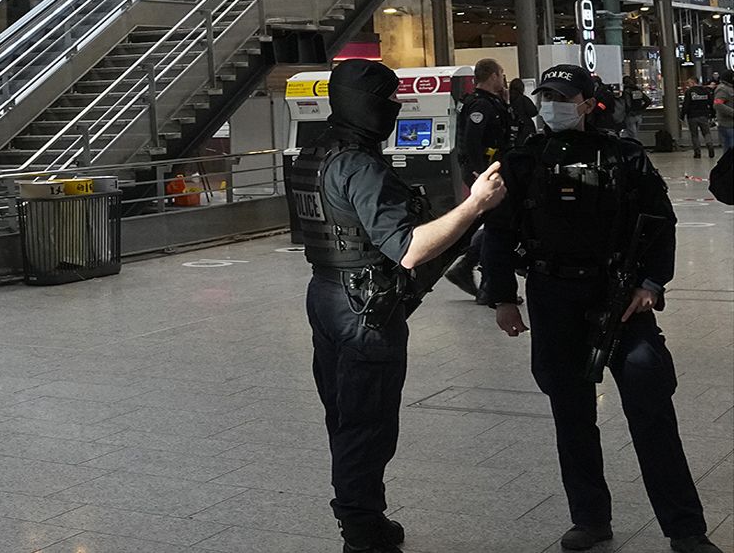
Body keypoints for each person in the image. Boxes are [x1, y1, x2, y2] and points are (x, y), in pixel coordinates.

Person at [481, 65, 721, 553]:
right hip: (552, 296)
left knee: (650, 406)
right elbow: (499, 233)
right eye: (545, 95)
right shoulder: (523, 160)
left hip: (619, 296)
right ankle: (590, 518)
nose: (553, 104)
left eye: (563, 96)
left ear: (588, 103)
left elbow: (660, 221)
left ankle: (685, 529)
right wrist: (504, 297)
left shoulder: (624, 156)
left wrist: (652, 283)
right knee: (570, 413)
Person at [284, 59, 506, 553]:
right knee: (368, 420)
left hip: (325, 292)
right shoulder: (359, 164)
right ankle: (362, 528)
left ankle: (359, 512)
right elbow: (408, 248)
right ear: (369, 103)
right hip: (364, 306)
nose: (395, 110)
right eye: (389, 102)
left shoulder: (315, 151)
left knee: (342, 414)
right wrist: (474, 205)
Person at [440, 59, 512, 299]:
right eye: (501, 74)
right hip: (486, 173)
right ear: (492, 75)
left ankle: (476, 275)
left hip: (490, 171)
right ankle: (474, 274)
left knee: (495, 223)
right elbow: (472, 141)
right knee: (497, 225)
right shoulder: (481, 104)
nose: (503, 79)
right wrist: (483, 174)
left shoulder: (490, 102)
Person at [682, 75, 720, 159]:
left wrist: (682, 115)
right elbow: (711, 102)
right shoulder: (705, 91)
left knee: (694, 135)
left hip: (692, 116)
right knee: (706, 132)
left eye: (689, 83)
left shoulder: (689, 92)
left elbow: (686, 105)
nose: (688, 84)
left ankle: (697, 153)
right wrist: (712, 114)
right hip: (704, 115)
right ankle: (710, 145)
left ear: (693, 82)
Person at [509, 77, 539, 142]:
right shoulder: (524, 99)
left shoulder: (507, 99)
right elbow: (533, 112)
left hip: (513, 129)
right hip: (526, 128)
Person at [715, 69, 734, 155]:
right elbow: (717, 104)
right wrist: (732, 112)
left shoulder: (730, 88)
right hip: (727, 124)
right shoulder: (722, 89)